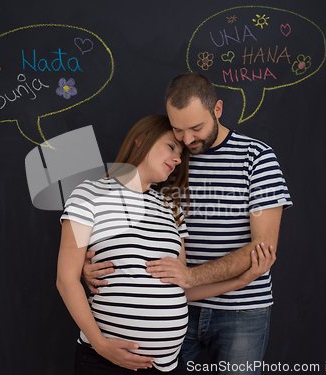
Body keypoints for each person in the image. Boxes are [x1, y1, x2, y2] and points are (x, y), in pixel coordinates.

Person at [83, 73, 292, 375]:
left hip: (241, 311)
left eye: (197, 128)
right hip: (177, 307)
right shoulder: (170, 156)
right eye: (179, 130)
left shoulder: (256, 158)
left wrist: (191, 277)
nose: (188, 140)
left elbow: (261, 248)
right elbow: (133, 224)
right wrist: (91, 264)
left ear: (217, 109)